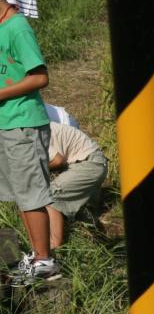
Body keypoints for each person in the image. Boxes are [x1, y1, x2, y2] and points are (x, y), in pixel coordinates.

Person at [0, 0, 54, 284]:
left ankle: (44, 259)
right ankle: (34, 256)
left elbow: (39, 76)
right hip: (6, 123)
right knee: (21, 194)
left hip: (24, 123)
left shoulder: (17, 27)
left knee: (32, 194)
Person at [42, 106, 107, 249]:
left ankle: (55, 246)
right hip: (89, 160)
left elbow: (57, 160)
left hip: (89, 162)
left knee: (50, 195)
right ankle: (94, 244)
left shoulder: (33, 134)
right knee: (83, 214)